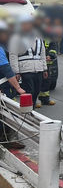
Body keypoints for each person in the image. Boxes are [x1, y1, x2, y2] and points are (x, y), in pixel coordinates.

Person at [9, 14, 47, 109]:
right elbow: (13, 55)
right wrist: (16, 72)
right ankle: (28, 112)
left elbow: (42, 54)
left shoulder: (39, 38)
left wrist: (45, 69)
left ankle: (31, 108)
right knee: (29, 91)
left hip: (38, 69)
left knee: (37, 91)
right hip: (25, 70)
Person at [0, 20, 27, 149]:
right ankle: (6, 138)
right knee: (8, 110)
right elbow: (5, 69)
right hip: (3, 86)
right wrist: (18, 88)